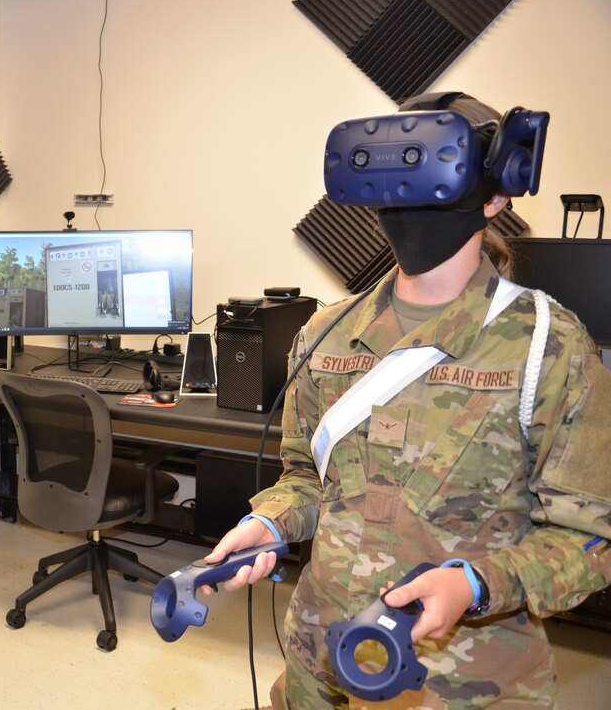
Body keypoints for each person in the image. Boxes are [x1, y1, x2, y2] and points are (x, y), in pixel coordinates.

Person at [205, 93, 611, 708]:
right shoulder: (324, 334)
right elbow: (307, 480)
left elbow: (590, 539)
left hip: (467, 681)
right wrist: (267, 523)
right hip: (321, 658)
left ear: (497, 192)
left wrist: (476, 584)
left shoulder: (548, 348)